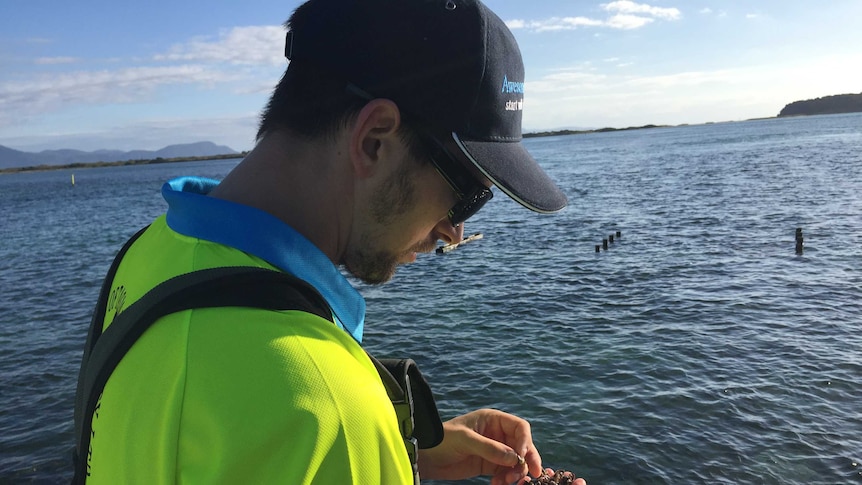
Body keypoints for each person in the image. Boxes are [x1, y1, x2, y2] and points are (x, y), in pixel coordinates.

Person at [74, 0, 586, 484]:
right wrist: (365, 443)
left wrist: (400, 448)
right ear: (373, 140)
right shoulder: (329, 409)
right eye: (467, 196)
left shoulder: (146, 256)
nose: (453, 233)